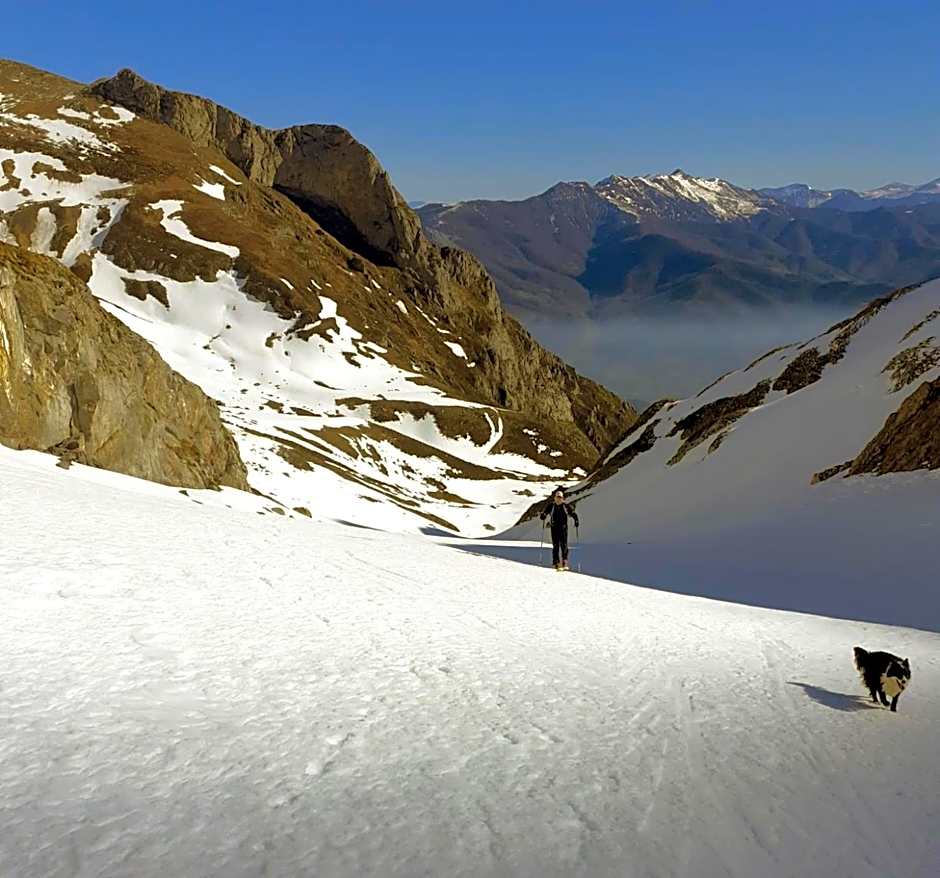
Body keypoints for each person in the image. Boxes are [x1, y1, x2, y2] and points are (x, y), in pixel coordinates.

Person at [540, 488, 579, 570]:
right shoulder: (551, 506)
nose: (558, 499)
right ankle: (556, 562)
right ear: (555, 498)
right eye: (557, 497)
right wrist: (543, 516)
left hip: (563, 528)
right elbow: (545, 512)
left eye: (560, 497)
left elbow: (572, 513)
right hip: (554, 528)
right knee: (555, 545)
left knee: (564, 545)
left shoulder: (565, 506)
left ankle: (564, 561)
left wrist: (576, 520)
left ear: (562, 498)